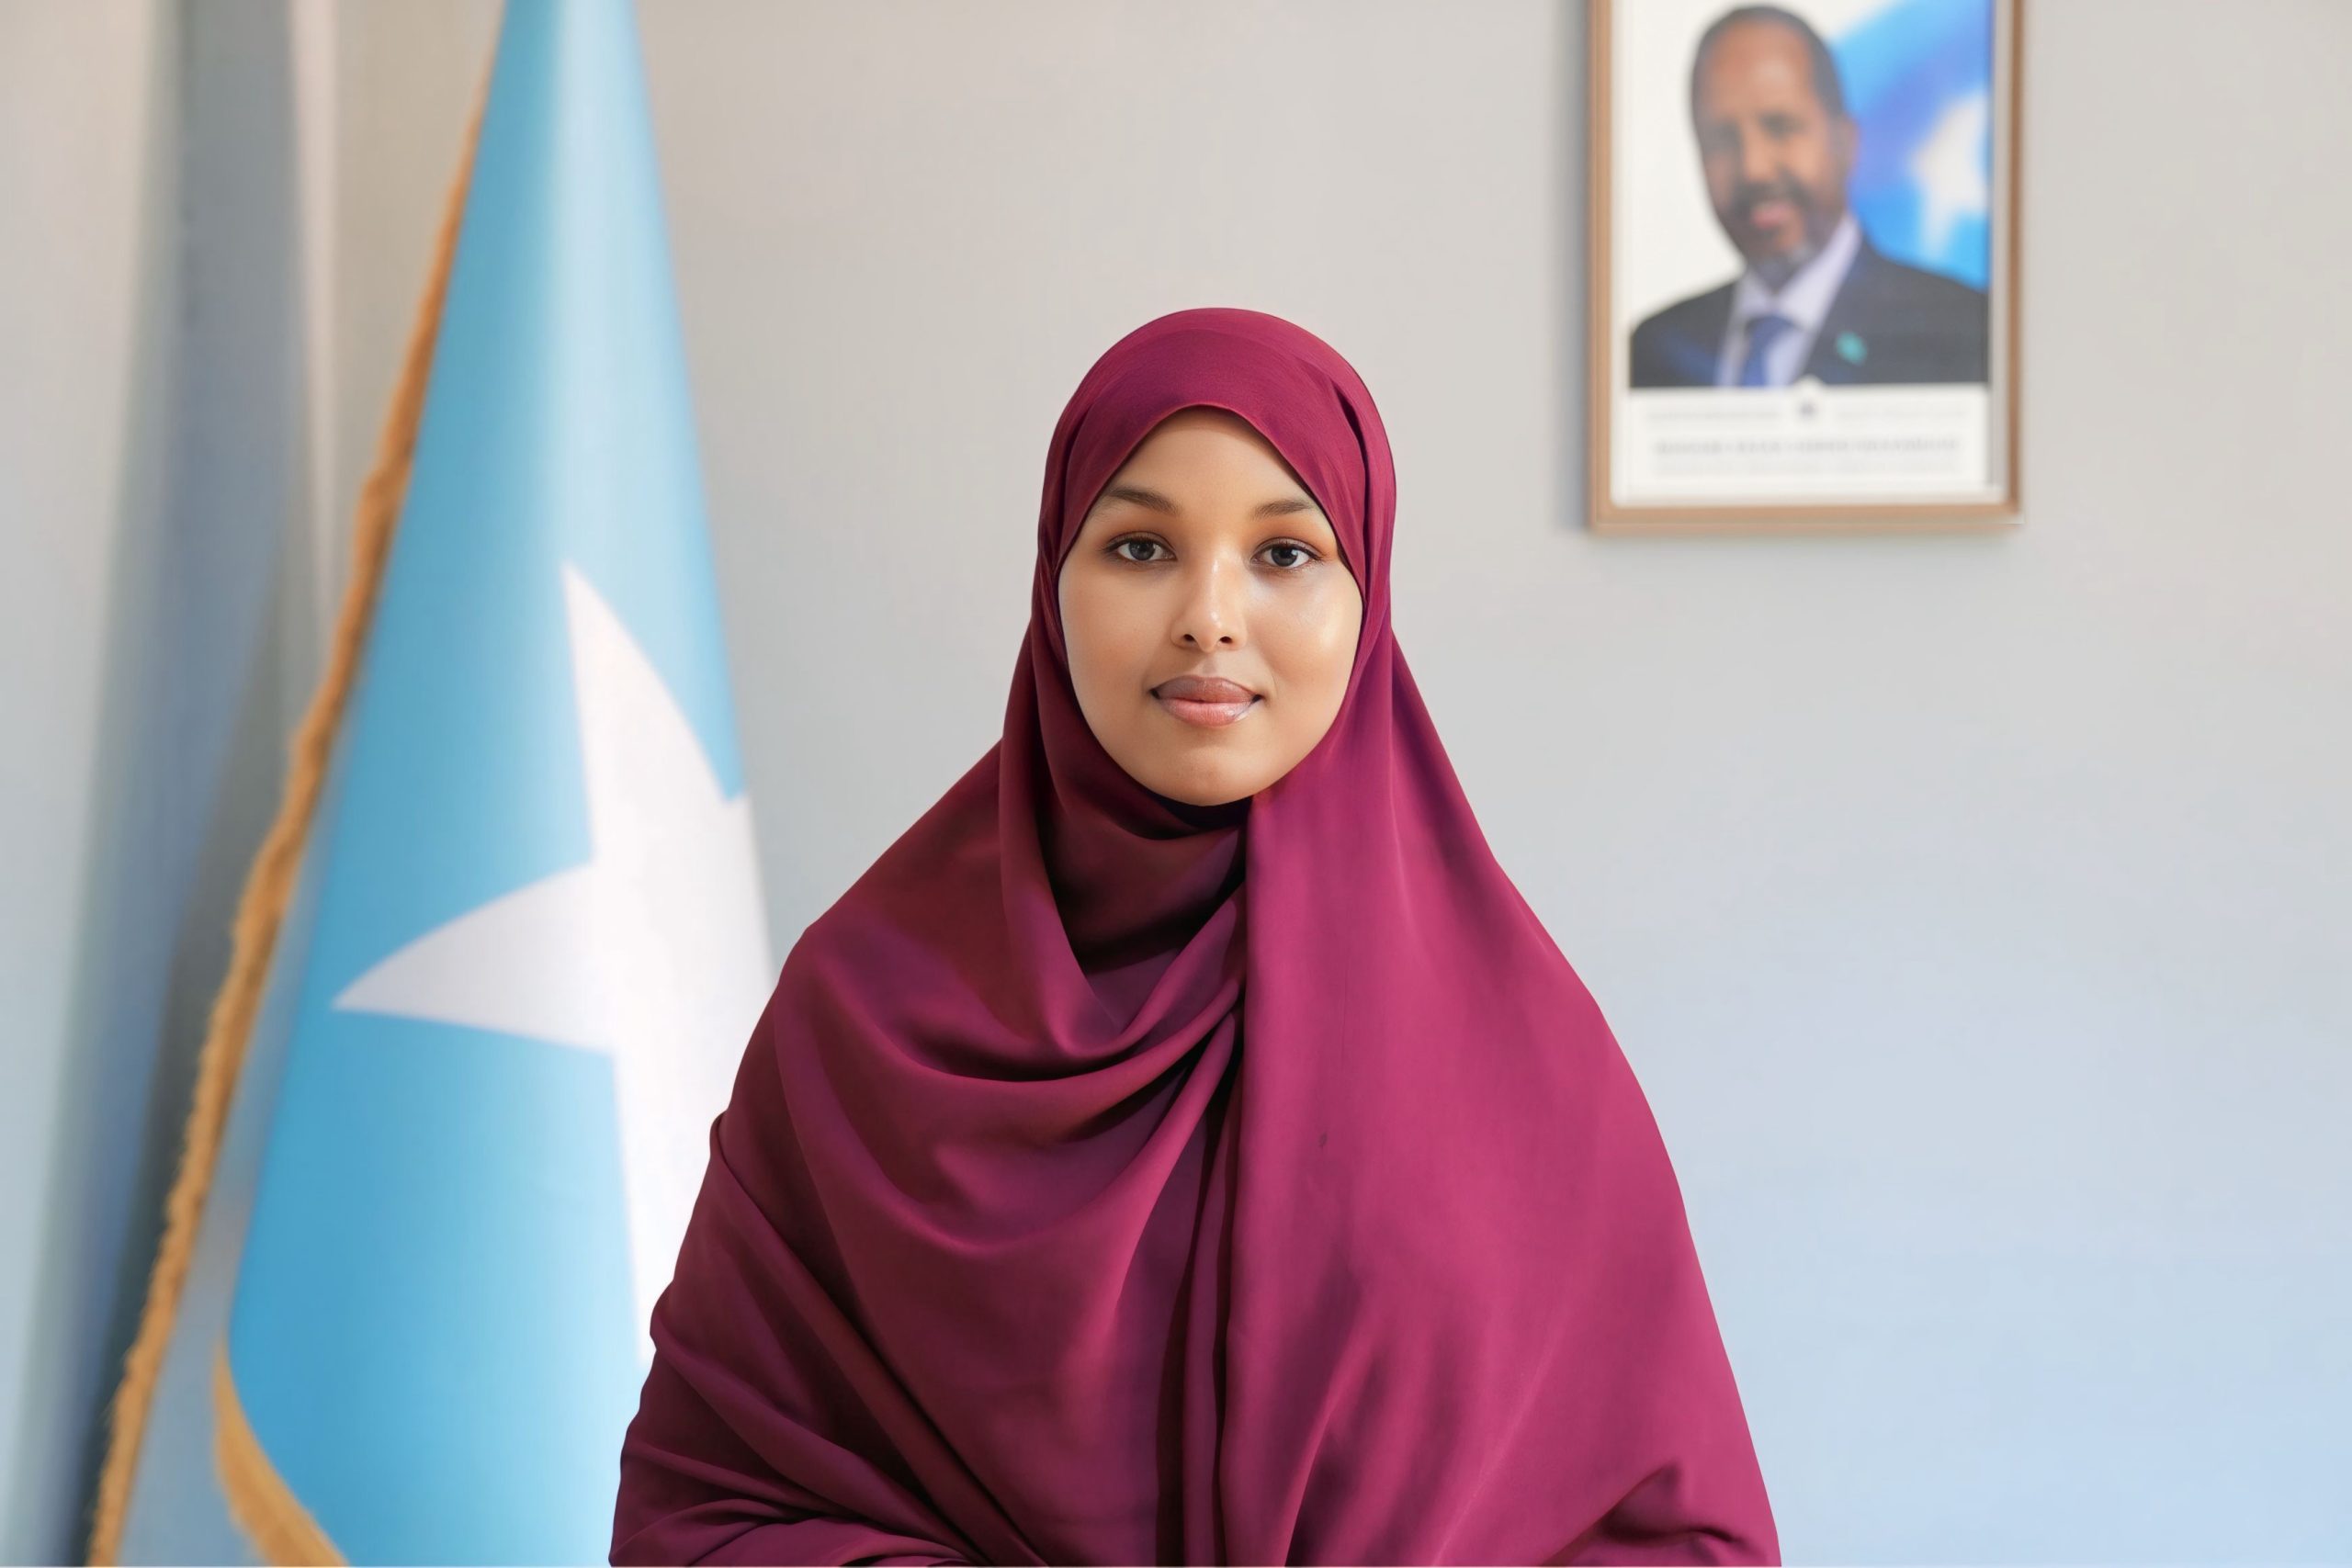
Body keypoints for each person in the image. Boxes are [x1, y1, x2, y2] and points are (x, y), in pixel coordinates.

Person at [609, 307, 1781, 1563]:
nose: (1209, 616)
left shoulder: (1522, 1052)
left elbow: (1672, 1535)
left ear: (1368, 598)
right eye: (1140, 546)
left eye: (1284, 553)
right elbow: (708, 1512)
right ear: (1052, 579)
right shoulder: (860, 1009)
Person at [1630, 3, 1989, 389]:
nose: (1753, 168)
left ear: (1845, 143)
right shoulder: (1654, 351)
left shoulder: (1960, 332)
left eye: (1780, 127)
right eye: (1721, 139)